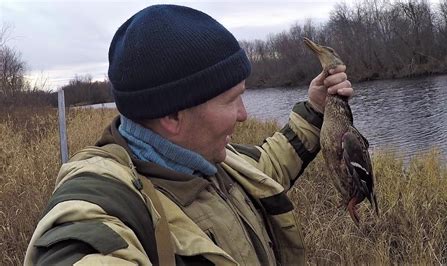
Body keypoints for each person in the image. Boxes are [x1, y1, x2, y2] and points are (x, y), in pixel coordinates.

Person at [25, 4, 353, 266]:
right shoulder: (106, 200)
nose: (243, 114)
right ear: (172, 114)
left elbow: (269, 164)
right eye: (231, 99)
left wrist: (315, 109)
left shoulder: (214, 161)